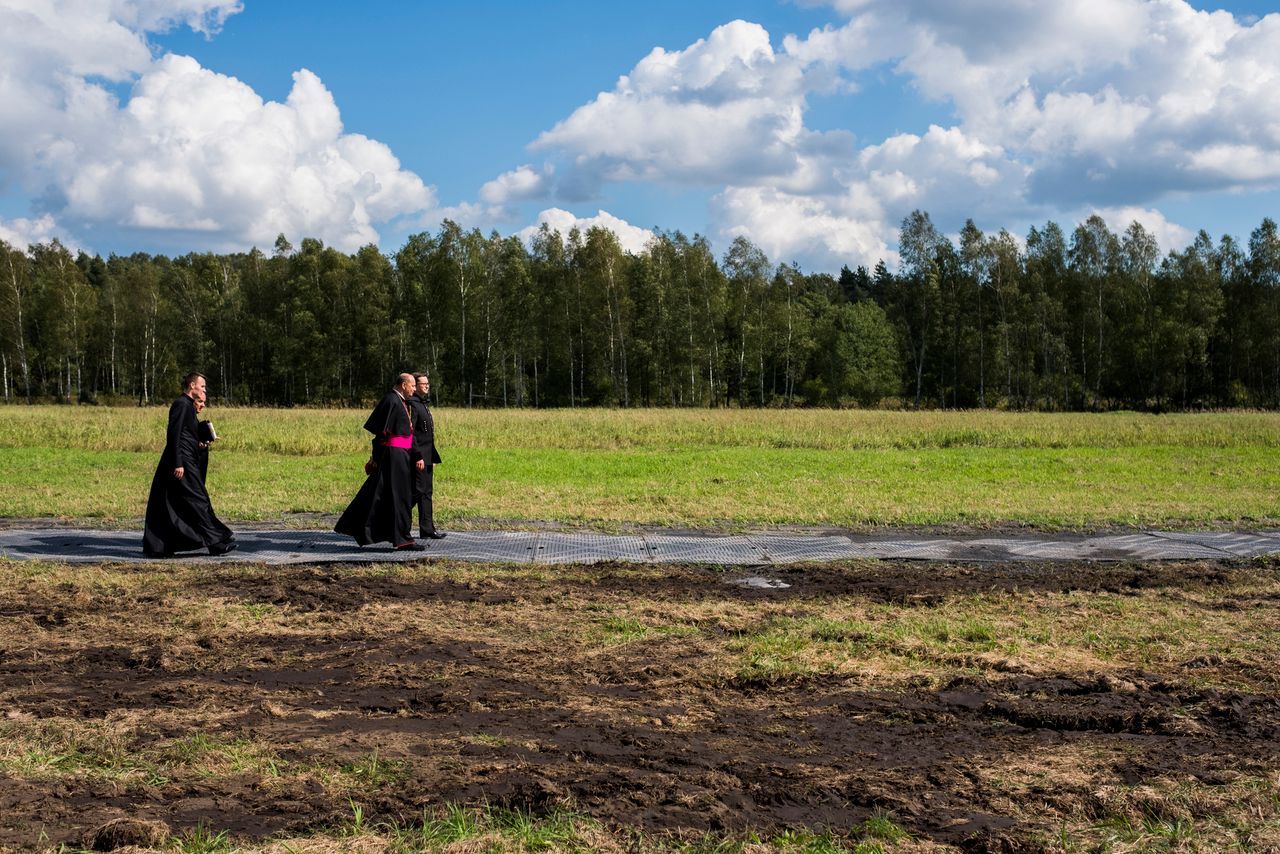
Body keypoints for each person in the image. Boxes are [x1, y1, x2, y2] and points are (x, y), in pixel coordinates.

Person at [142, 372, 237, 557]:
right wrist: (177, 463)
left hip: (187, 460)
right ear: (192, 385)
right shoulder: (181, 404)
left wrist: (200, 442)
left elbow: (186, 435)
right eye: (202, 387)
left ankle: (163, 545)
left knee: (181, 502)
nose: (204, 390)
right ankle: (216, 541)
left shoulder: (188, 406)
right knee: (198, 500)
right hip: (182, 462)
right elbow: (174, 435)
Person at [335, 372, 424, 550]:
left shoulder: (401, 402)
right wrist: (376, 458)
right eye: (413, 385)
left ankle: (399, 536)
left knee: (399, 496)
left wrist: (416, 455)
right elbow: (381, 435)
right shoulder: (391, 400)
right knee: (397, 497)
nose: (415, 388)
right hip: (394, 456)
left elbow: (408, 434)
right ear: (403, 385)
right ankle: (402, 539)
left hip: (402, 455)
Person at [409, 372, 445, 539]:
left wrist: (431, 456)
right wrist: (418, 456)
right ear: (415, 386)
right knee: (417, 492)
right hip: (419, 458)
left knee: (427, 493)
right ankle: (395, 522)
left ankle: (427, 529)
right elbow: (412, 434)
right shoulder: (413, 405)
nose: (427, 386)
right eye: (423, 383)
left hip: (427, 456)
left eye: (427, 383)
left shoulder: (423, 404)